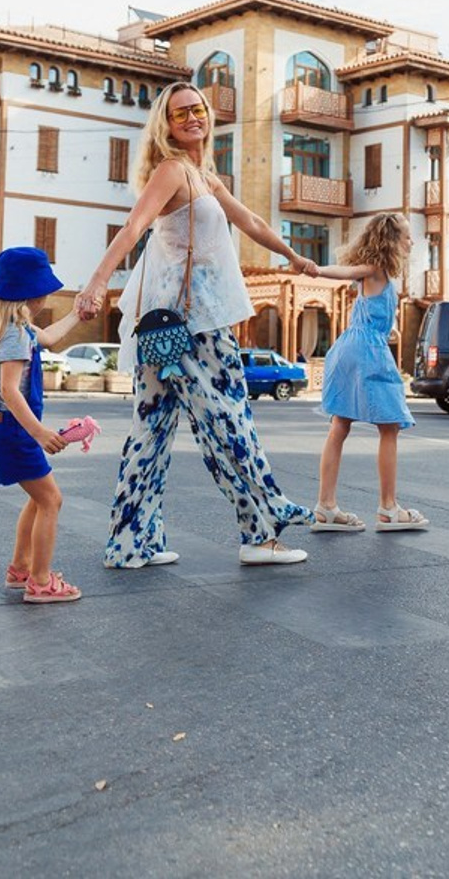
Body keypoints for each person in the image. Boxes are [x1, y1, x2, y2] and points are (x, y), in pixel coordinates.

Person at [74, 81, 316, 568]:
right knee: (230, 422)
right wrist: (96, 284)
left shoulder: (205, 177)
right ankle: (262, 532)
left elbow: (251, 222)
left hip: (170, 324)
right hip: (190, 326)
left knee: (153, 428)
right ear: (165, 125)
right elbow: (133, 228)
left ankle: (130, 544)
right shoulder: (172, 171)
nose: (191, 118)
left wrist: (293, 256)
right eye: (180, 113)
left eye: (198, 110)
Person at [0, 246, 84, 603]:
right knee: (51, 499)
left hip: (3, 431)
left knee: (38, 499)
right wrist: (39, 432)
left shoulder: (13, 327)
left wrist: (78, 314)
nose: (46, 294)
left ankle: (20, 569)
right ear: (30, 293)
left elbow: (49, 338)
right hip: (13, 432)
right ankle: (39, 581)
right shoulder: (14, 335)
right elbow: (9, 390)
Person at [309, 212, 428, 533]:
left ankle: (326, 507)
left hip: (348, 348)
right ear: (391, 240)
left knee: (340, 425)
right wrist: (317, 269)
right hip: (367, 353)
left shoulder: (384, 276)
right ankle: (389, 508)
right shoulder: (374, 271)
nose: (411, 240)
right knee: (390, 428)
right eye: (406, 235)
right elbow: (348, 271)